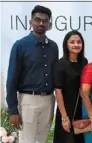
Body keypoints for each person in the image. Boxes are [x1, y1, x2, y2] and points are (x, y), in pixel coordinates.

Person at [6, 5, 59, 143]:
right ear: (31, 22)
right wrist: (13, 110)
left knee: (42, 140)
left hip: (48, 100)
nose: (41, 23)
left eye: (45, 21)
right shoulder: (20, 45)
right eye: (37, 19)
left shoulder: (53, 47)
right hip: (28, 100)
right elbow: (11, 79)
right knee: (27, 141)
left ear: (49, 24)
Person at [53, 30, 88, 143]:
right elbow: (58, 91)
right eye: (72, 42)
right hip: (66, 111)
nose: (76, 45)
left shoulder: (84, 62)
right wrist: (64, 117)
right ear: (66, 45)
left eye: (78, 42)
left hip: (80, 110)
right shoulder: (61, 64)